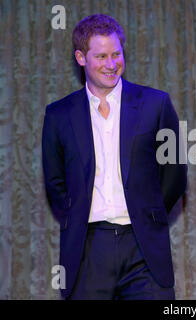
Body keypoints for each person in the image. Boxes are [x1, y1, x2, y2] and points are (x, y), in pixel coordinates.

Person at [42, 14, 187, 300]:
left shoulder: (156, 104)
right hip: (86, 251)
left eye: (116, 54)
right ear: (81, 58)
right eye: (101, 56)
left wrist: (149, 214)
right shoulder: (59, 114)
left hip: (143, 248)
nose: (111, 64)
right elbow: (55, 183)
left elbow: (174, 176)